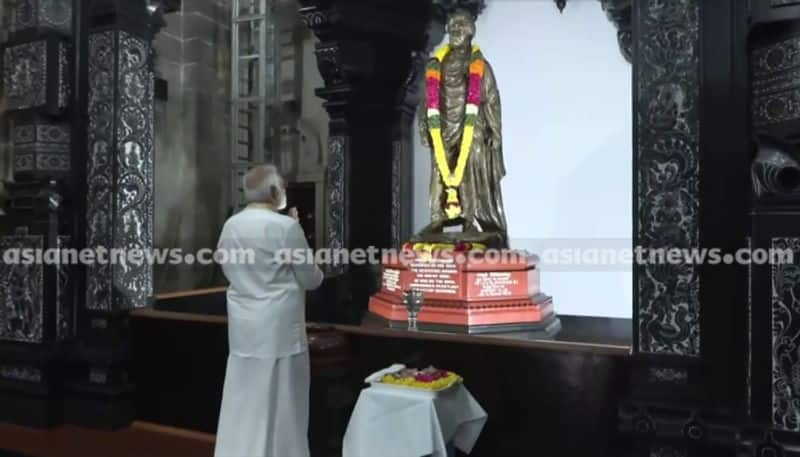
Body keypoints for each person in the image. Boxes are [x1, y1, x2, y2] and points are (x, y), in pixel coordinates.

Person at [214, 164, 323, 457]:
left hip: (244, 328)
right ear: (275, 191)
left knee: (243, 400)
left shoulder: (231, 226)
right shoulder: (285, 227)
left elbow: (227, 266)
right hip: (279, 330)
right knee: (284, 404)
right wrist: (295, 229)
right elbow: (311, 279)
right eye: (283, 187)